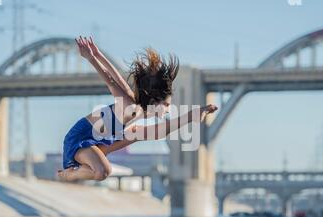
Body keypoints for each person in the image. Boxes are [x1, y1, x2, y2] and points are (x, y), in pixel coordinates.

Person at [57, 36, 218, 182]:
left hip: (101, 139)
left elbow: (118, 76)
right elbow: (111, 81)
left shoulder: (138, 112)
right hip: (80, 139)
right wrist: (92, 58)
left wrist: (99, 55)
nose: (168, 110)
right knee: (103, 171)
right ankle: (70, 173)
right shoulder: (130, 106)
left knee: (146, 133)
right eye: (166, 105)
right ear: (155, 102)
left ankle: (194, 115)